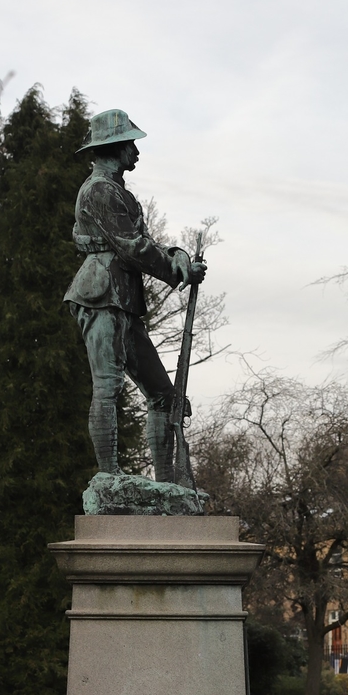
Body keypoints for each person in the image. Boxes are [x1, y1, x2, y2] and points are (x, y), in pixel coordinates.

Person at [64, 109, 206, 481]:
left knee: (165, 396)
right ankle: (110, 477)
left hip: (124, 300)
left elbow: (141, 242)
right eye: (131, 144)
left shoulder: (117, 192)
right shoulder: (99, 190)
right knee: (108, 387)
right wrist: (177, 270)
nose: (136, 152)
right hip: (101, 297)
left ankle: (167, 485)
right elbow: (132, 248)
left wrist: (176, 257)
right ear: (115, 147)